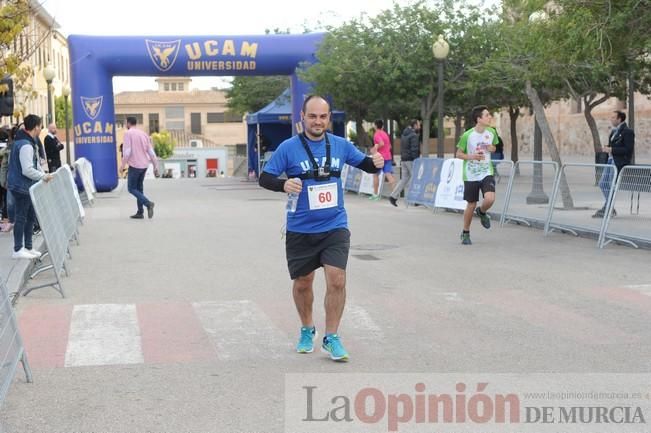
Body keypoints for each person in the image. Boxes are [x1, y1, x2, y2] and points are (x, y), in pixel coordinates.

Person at [259, 95, 384, 361]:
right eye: (313, 116)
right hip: (300, 228)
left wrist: (376, 163)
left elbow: (365, 164)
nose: (318, 121)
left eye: (323, 116)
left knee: (337, 279)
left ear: (329, 119)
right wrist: (283, 184)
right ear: (302, 117)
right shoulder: (288, 148)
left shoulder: (340, 145)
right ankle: (307, 328)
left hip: (335, 225)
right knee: (303, 283)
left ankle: (332, 337)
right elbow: (265, 177)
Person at [7, 115, 53, 259]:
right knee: (22, 217)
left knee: (30, 216)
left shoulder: (25, 141)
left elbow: (35, 164)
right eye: (40, 126)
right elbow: (27, 169)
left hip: (24, 185)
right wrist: (43, 176)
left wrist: (42, 173)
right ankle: (18, 249)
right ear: (36, 127)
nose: (41, 129)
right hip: (22, 186)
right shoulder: (26, 145)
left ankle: (28, 246)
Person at [456, 106, 498, 245]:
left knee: (490, 199)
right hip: (471, 174)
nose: (490, 117)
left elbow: (494, 147)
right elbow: (458, 154)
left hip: (487, 171)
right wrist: (472, 156)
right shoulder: (467, 135)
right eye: (487, 115)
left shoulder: (491, 132)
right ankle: (466, 232)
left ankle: (482, 211)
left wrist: (490, 148)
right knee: (471, 204)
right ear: (479, 119)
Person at [593, 110, 635, 218]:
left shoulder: (628, 132)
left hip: (618, 162)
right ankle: (609, 206)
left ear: (619, 119)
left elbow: (628, 149)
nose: (611, 119)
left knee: (611, 185)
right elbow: (612, 146)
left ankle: (608, 207)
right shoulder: (613, 132)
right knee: (603, 183)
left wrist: (612, 149)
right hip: (610, 161)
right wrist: (606, 149)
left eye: (613, 118)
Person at [120, 116, 159, 219]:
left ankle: (148, 204)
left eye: (125, 123)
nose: (125, 124)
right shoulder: (144, 134)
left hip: (135, 165)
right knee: (139, 189)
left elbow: (127, 152)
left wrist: (122, 165)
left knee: (131, 188)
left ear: (128, 123)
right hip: (144, 165)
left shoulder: (128, 134)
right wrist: (155, 166)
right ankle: (140, 212)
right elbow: (151, 152)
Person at [389, 119, 421, 207]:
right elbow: (414, 149)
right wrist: (416, 160)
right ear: (414, 125)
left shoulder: (404, 134)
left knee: (404, 179)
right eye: (418, 125)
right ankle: (414, 199)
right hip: (411, 160)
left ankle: (393, 196)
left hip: (403, 159)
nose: (419, 127)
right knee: (415, 178)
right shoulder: (413, 135)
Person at [369, 120, 396, 201]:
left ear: (375, 126)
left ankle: (375, 195)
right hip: (388, 157)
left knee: (375, 175)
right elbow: (389, 146)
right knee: (389, 175)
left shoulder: (377, 134)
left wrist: (374, 149)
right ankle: (394, 195)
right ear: (382, 126)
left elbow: (381, 143)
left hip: (380, 158)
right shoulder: (385, 134)